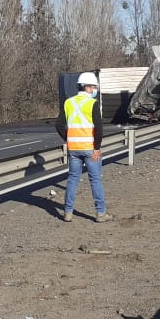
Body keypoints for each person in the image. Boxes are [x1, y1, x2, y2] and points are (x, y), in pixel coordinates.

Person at [55, 72, 111, 222]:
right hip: (90, 148)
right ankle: (100, 213)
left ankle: (68, 212)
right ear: (87, 87)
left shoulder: (68, 102)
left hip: (73, 148)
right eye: (94, 87)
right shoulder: (92, 104)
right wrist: (97, 148)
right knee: (95, 180)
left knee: (73, 179)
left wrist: (68, 138)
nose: (95, 90)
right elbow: (98, 129)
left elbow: (59, 125)